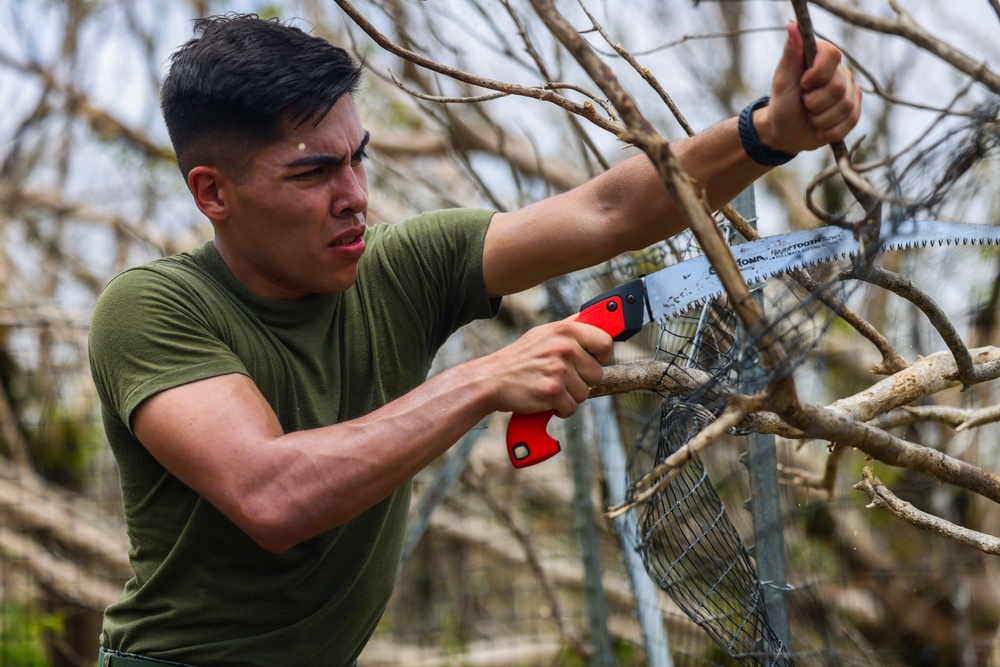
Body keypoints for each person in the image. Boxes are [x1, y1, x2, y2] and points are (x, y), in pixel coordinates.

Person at [88, 11, 861, 667]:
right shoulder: (153, 310)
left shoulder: (399, 266)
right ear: (212, 192)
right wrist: (482, 379)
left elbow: (606, 212)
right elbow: (272, 493)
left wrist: (768, 132)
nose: (355, 197)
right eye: (314, 173)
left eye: (360, 159)